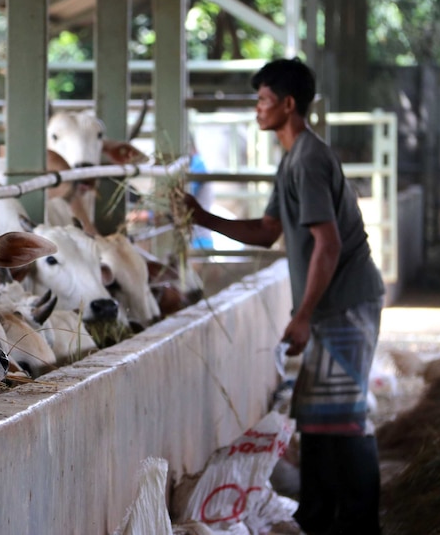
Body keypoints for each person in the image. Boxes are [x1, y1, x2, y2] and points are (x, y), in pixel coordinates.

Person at [181, 58, 384, 535]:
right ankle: (318, 517)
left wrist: (304, 315)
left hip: (346, 304)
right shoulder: (292, 158)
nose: (257, 109)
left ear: (288, 105)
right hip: (331, 306)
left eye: (263, 100)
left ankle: (359, 523)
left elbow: (328, 244)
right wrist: (201, 218)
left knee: (343, 416)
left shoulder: (309, 160)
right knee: (315, 417)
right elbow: (268, 230)